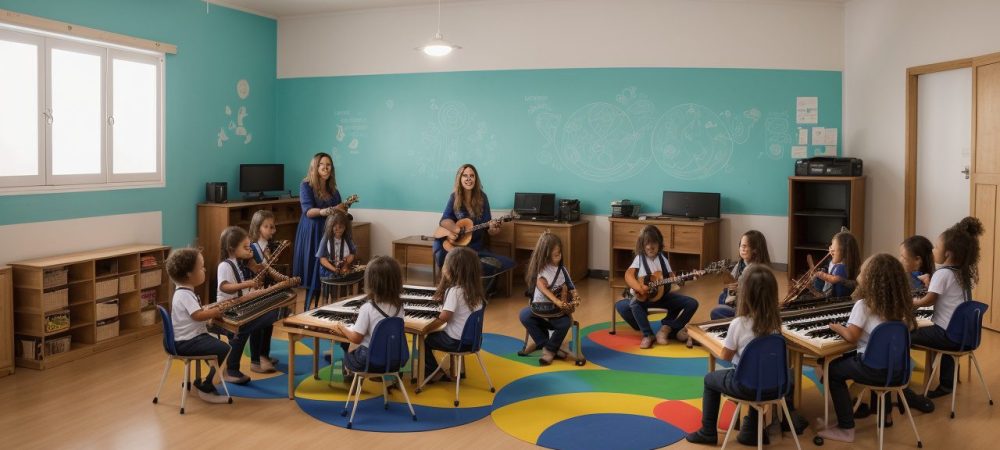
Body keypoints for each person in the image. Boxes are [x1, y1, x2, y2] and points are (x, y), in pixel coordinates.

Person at [686, 265, 805, 446]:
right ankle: (751, 429)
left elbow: (725, 356)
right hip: (777, 386)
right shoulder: (775, 322)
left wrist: (714, 343)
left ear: (745, 294)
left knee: (710, 379)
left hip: (747, 388)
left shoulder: (738, 323)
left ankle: (707, 431)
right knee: (758, 373)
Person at [817, 254, 917, 442]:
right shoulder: (900, 306)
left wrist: (837, 327)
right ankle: (886, 417)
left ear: (872, 280)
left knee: (833, 370)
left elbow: (852, 337)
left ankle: (846, 427)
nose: (859, 273)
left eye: (863, 271)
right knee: (883, 359)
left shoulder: (863, 305)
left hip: (872, 370)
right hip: (898, 372)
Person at [910, 217, 983, 399]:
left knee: (905, 334)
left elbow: (929, 301)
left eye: (935, 247)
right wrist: (930, 282)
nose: (933, 250)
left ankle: (901, 379)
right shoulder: (962, 273)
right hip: (965, 336)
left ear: (948, 253)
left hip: (946, 335)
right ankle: (946, 384)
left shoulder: (942, 273)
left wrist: (913, 302)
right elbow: (944, 295)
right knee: (941, 334)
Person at [614, 225, 699, 349]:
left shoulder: (663, 259)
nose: (650, 247)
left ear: (659, 244)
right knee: (633, 304)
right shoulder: (640, 258)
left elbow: (672, 278)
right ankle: (648, 335)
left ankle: (669, 328)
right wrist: (639, 287)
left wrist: (683, 279)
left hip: (663, 297)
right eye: (646, 243)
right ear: (642, 244)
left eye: (653, 242)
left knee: (692, 303)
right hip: (645, 299)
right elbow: (628, 275)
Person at [433, 164, 514, 292]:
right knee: (442, 250)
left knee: (500, 263)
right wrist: (456, 230)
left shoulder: (483, 198)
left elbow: (489, 227)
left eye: (472, 176)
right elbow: (444, 220)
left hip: (476, 246)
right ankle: (451, 289)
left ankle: (473, 292)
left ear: (476, 179)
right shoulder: (454, 197)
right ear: (460, 178)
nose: (468, 179)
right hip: (457, 244)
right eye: (465, 176)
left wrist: (493, 229)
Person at [165, 248, 230, 404]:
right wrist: (217, 311)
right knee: (224, 348)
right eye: (201, 267)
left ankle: (211, 376)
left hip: (186, 339)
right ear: (189, 274)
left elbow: (196, 313)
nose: (204, 269)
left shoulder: (183, 291)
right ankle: (206, 387)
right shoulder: (184, 294)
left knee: (216, 343)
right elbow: (197, 315)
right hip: (187, 342)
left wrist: (209, 310)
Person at [216, 226, 279, 380]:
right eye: (245, 247)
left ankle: (256, 359)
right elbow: (224, 287)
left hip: (239, 306)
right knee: (243, 328)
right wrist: (247, 284)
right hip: (228, 310)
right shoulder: (225, 265)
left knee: (267, 316)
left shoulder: (239, 263)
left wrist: (253, 286)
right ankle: (232, 369)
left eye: (249, 246)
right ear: (231, 249)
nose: (248, 249)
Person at [292, 152, 353, 305]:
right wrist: (329, 210)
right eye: (322, 165)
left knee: (326, 271)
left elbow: (339, 213)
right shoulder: (306, 185)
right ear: (315, 166)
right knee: (313, 269)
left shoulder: (334, 190)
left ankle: (325, 306)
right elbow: (308, 211)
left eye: (328, 165)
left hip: (329, 232)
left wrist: (344, 208)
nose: (326, 168)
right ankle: (307, 308)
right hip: (313, 231)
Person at [423, 247, 486, 381]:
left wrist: (428, 323)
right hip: (472, 341)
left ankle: (433, 372)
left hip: (455, 342)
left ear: (452, 270)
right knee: (437, 334)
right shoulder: (475, 292)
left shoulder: (455, 292)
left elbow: (444, 317)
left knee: (427, 340)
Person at [519, 232, 578, 365]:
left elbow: (571, 286)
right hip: (539, 311)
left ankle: (549, 349)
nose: (559, 257)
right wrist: (556, 300)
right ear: (545, 256)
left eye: (559, 254)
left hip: (556, 313)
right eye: (555, 255)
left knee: (564, 323)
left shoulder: (562, 270)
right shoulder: (539, 271)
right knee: (524, 315)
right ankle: (550, 345)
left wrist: (575, 296)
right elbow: (543, 290)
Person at [711, 230, 771, 320]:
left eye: (745, 246)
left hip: (750, 310)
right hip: (737, 303)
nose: (741, 249)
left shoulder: (759, 271)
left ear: (755, 249)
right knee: (722, 295)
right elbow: (732, 287)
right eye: (741, 245)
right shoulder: (740, 264)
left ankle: (737, 324)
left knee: (716, 312)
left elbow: (757, 299)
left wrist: (740, 289)